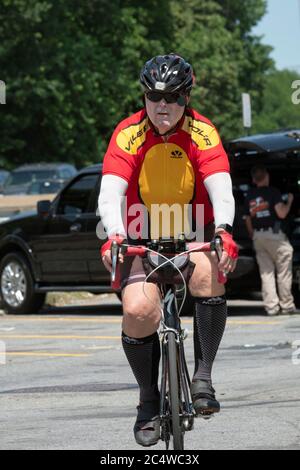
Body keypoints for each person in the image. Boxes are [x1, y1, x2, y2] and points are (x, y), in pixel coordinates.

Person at [98, 53, 238, 447]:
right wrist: (114, 233)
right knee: (139, 310)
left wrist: (223, 230)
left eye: (174, 97)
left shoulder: (202, 131)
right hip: (139, 234)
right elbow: (110, 193)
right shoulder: (128, 133)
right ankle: (147, 400)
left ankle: (204, 377)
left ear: (187, 97)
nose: (163, 106)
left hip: (192, 230)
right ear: (144, 96)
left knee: (209, 270)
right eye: (154, 96)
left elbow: (221, 188)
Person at [244, 164, 298, 316]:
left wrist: (252, 234)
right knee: (283, 271)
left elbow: (247, 218)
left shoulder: (249, 195)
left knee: (266, 273)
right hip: (275, 236)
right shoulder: (273, 192)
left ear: (254, 179)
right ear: (266, 176)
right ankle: (287, 305)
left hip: (258, 237)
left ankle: (271, 307)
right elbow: (281, 214)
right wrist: (290, 201)